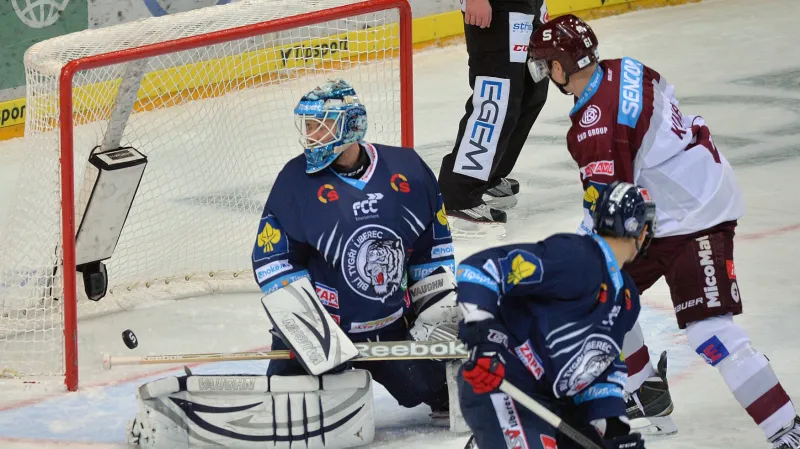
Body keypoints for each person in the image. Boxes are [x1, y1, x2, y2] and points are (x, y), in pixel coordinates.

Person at [527, 15, 800, 448]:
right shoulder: (623, 67)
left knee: (709, 330)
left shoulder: (597, 129)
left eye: (545, 63)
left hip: (699, 214)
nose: (544, 72)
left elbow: (611, 209)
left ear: (561, 66)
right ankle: (645, 392)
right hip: (665, 207)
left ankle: (787, 429)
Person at [251, 79, 461, 417]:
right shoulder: (294, 181)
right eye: (308, 126)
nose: (311, 135)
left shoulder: (407, 169)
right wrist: (309, 327)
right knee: (287, 407)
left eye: (321, 125)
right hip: (327, 330)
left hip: (390, 328)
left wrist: (435, 304)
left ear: (351, 125)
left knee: (438, 390)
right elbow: (274, 260)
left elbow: (431, 245)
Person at [456, 181, 654, 449]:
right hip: (505, 384)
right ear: (640, 231)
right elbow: (480, 269)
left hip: (555, 403)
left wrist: (613, 429)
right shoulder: (574, 257)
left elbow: (599, 369)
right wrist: (483, 339)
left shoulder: (627, 297)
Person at [438, 0, 550, 238]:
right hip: (497, 9)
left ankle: (488, 174)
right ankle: (459, 193)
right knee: (497, 96)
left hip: (527, 5)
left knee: (533, 91)